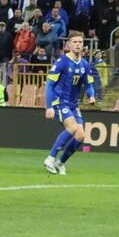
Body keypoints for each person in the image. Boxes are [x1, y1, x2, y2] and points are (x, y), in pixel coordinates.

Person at [43, 32, 97, 175]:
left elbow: (89, 84)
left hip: (73, 104)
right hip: (60, 101)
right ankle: (50, 158)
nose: (78, 44)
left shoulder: (85, 65)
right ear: (69, 45)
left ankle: (60, 163)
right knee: (72, 127)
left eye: (80, 42)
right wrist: (49, 106)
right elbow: (49, 85)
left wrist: (91, 96)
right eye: (75, 42)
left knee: (80, 135)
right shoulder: (62, 62)